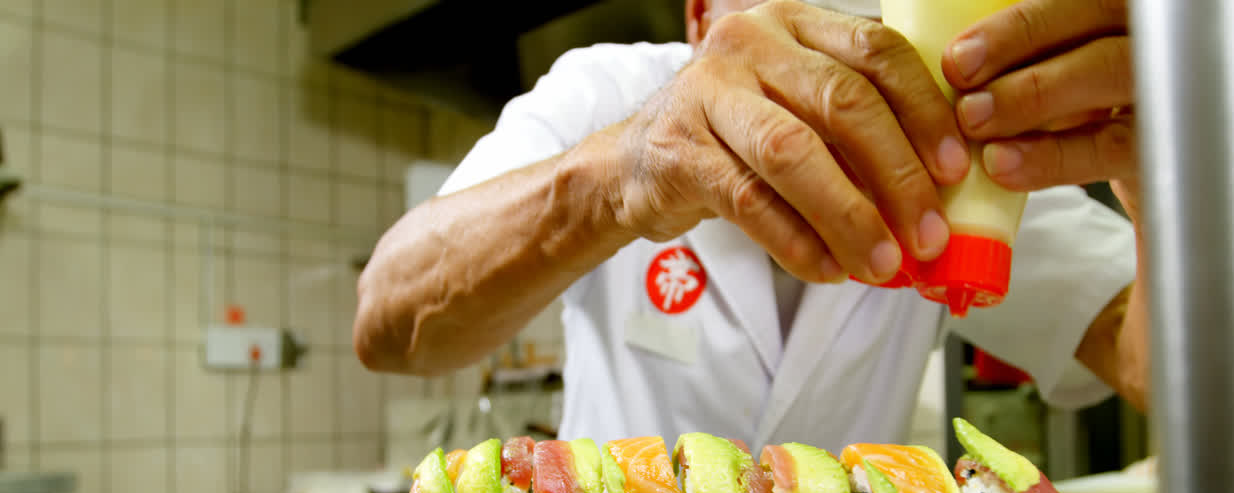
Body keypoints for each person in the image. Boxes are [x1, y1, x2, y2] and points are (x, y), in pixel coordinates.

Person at [354, 0, 1146, 453]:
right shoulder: (608, 92)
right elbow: (390, 324)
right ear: (701, 19)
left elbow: (1146, 361)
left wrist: (1157, 181)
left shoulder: (941, 142)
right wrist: (623, 176)